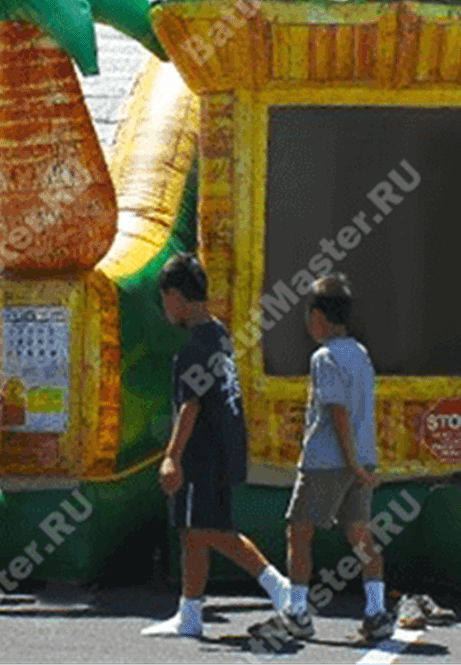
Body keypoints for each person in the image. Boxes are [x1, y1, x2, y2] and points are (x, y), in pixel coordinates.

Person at [143, 252, 288, 639]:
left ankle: (279, 587)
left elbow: (189, 406)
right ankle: (190, 614)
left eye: (165, 299)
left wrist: (172, 457)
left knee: (207, 530)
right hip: (225, 446)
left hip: (203, 453)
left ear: (175, 297)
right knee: (196, 531)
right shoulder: (219, 334)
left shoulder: (193, 347)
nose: (165, 307)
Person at [250, 273, 395, 646]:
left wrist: (351, 463)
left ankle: (298, 612)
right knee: (360, 533)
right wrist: (361, 466)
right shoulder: (360, 353)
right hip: (361, 459)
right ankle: (376, 612)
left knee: (299, 530)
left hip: (327, 461)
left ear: (317, 316)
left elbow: (338, 412)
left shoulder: (324, 357)